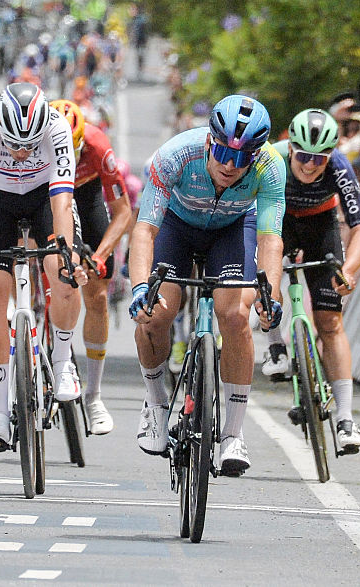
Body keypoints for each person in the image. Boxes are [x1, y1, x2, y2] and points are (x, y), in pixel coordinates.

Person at [129, 94, 285, 476]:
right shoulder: (175, 156)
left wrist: (270, 295)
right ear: (208, 142)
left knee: (234, 315)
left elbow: (270, 241)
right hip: (176, 228)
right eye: (223, 154)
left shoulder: (270, 167)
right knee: (154, 315)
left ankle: (232, 434)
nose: (231, 166)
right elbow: (145, 231)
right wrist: (138, 288)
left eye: (243, 158)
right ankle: (156, 404)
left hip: (232, 230)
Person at [0, 82, 87, 451]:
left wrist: (67, 254)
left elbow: (62, 199)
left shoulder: (56, 128)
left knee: (64, 273)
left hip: (43, 198)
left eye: (29, 145)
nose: (22, 152)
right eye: (14, 144)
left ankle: (63, 359)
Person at [262, 109, 360, 452]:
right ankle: (276, 346)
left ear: (330, 155)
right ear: (291, 148)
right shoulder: (270, 158)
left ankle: (346, 419)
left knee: (330, 322)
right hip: (277, 222)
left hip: (320, 227)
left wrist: (349, 270)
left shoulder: (339, 166)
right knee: (269, 286)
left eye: (318, 159)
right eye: (303, 156)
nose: (310, 166)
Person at [50, 99, 132, 435]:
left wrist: (100, 255)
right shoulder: (35, 141)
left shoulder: (98, 145)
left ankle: (94, 396)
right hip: (47, 194)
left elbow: (123, 212)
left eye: (75, 150)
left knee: (96, 295)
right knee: (52, 271)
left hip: (85, 197)